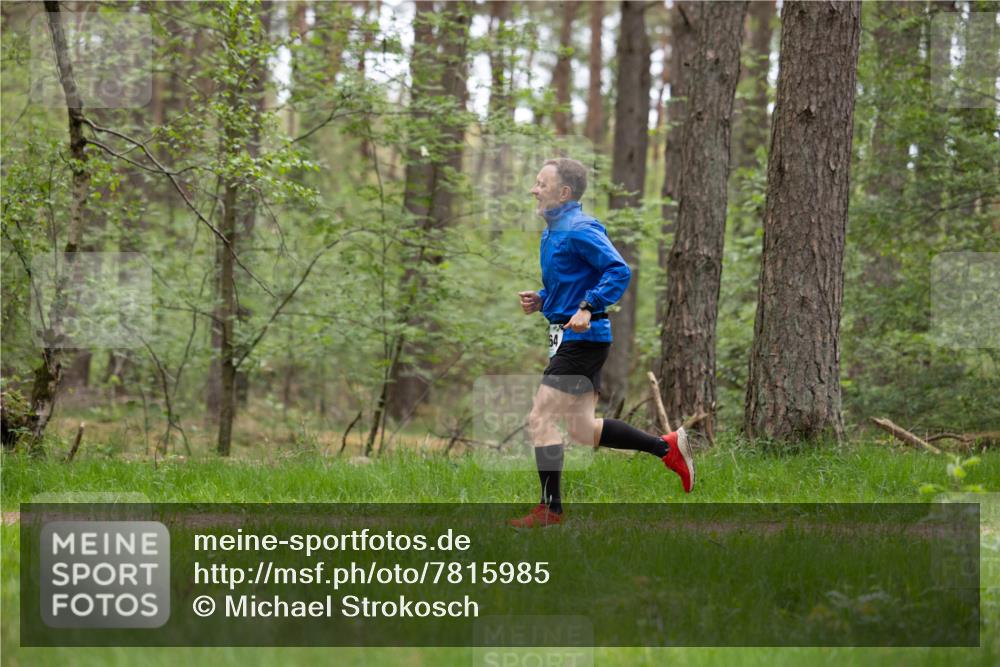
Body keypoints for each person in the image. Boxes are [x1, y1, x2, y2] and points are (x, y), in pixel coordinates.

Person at [511, 158, 694, 528]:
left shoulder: (579, 227)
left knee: (540, 417)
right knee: (580, 430)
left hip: (582, 340)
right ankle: (666, 447)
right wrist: (546, 299)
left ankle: (551, 509)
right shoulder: (554, 231)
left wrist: (588, 306)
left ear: (564, 192)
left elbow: (617, 269)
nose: (534, 189)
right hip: (571, 337)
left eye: (541, 183)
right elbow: (574, 280)